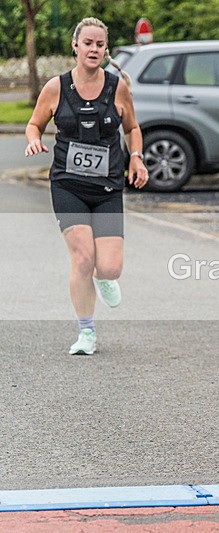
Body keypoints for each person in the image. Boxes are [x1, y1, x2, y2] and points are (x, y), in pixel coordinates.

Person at [24, 17, 148, 355]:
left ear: (105, 49)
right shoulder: (56, 87)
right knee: (82, 258)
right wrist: (34, 140)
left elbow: (132, 127)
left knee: (109, 266)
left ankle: (103, 277)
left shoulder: (116, 87)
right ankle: (87, 332)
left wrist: (136, 156)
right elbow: (34, 124)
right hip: (68, 184)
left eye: (99, 44)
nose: (93, 49)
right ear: (75, 46)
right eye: (87, 43)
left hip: (107, 185)